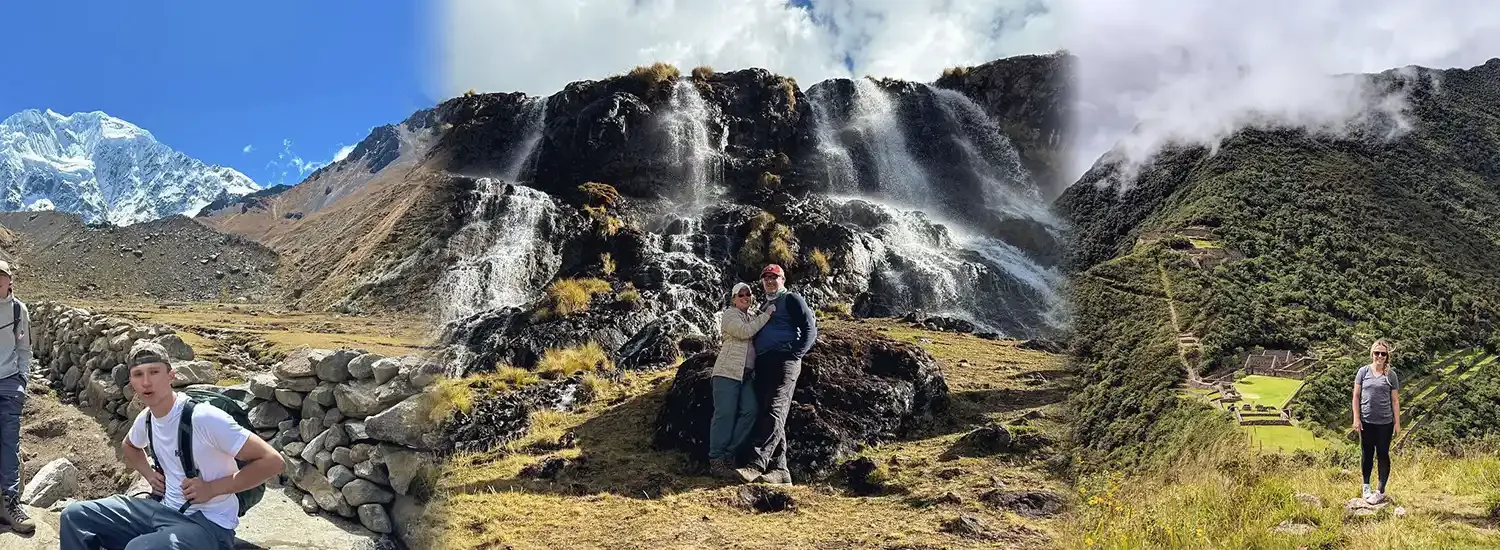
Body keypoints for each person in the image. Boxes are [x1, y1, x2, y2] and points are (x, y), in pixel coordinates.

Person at [59, 342, 285, 550]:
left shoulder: (203, 418)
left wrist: (212, 488)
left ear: (171, 376)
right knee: (74, 516)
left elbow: (273, 462)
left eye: (154, 372)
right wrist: (149, 475)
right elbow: (130, 446)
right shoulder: (147, 418)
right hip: (163, 510)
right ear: (132, 382)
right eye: (138, 374)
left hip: (209, 524)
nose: (146, 382)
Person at [736, 264, 817, 485]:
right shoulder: (764, 304)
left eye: (774, 277)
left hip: (784, 361)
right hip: (764, 363)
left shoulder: (791, 299)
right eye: (766, 278)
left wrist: (795, 354)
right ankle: (781, 471)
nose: (770, 281)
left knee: (774, 408)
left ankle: (756, 464)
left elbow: (810, 328)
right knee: (770, 412)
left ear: (783, 280)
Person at [707, 282, 774, 479]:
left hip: (745, 376)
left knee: (750, 411)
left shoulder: (751, 316)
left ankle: (729, 454)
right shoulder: (730, 314)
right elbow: (745, 332)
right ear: (734, 299)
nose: (745, 297)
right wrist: (767, 314)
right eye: (741, 294)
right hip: (727, 372)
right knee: (725, 415)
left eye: (748, 294)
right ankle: (716, 460)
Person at [0, 260, 33, 534]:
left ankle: (10, 502)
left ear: (10, 280)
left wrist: (22, 381)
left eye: (2, 276)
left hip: (9, 383)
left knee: (9, 443)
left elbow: (25, 349)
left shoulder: (17, 310)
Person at [1352, 338, 1401, 505]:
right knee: (1366, 454)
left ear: (1387, 356)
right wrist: (1356, 418)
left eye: (1383, 354)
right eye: (1377, 353)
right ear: (1371, 354)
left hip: (1385, 423)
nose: (1379, 356)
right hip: (1366, 421)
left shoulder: (1391, 375)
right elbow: (1356, 396)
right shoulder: (1363, 372)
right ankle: (1366, 486)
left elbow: (1395, 400)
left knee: (1383, 454)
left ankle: (1380, 490)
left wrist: (1397, 422)